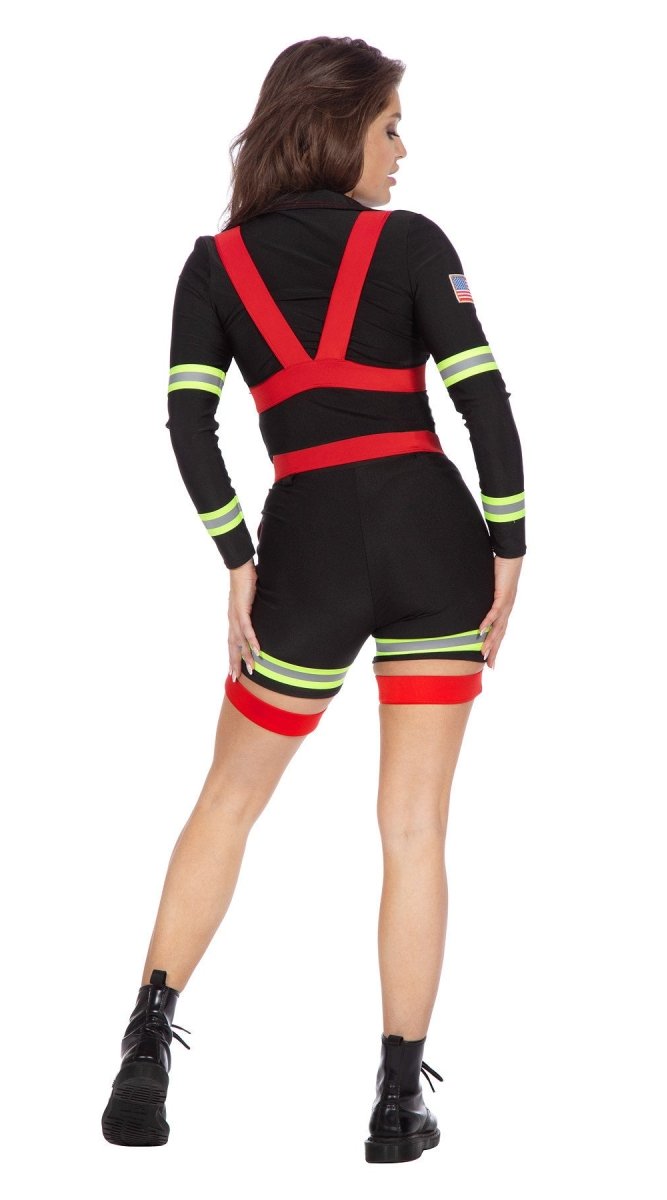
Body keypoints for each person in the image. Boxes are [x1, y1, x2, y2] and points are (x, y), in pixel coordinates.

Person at [101, 35, 526, 1165]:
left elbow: (188, 422)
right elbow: (483, 401)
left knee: (227, 799)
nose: (403, 150)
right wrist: (509, 544)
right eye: (390, 126)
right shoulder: (413, 244)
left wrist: (238, 558)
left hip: (307, 555)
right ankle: (396, 1102)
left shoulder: (215, 266)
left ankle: (145, 1049)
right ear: (339, 128)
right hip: (433, 542)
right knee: (414, 826)